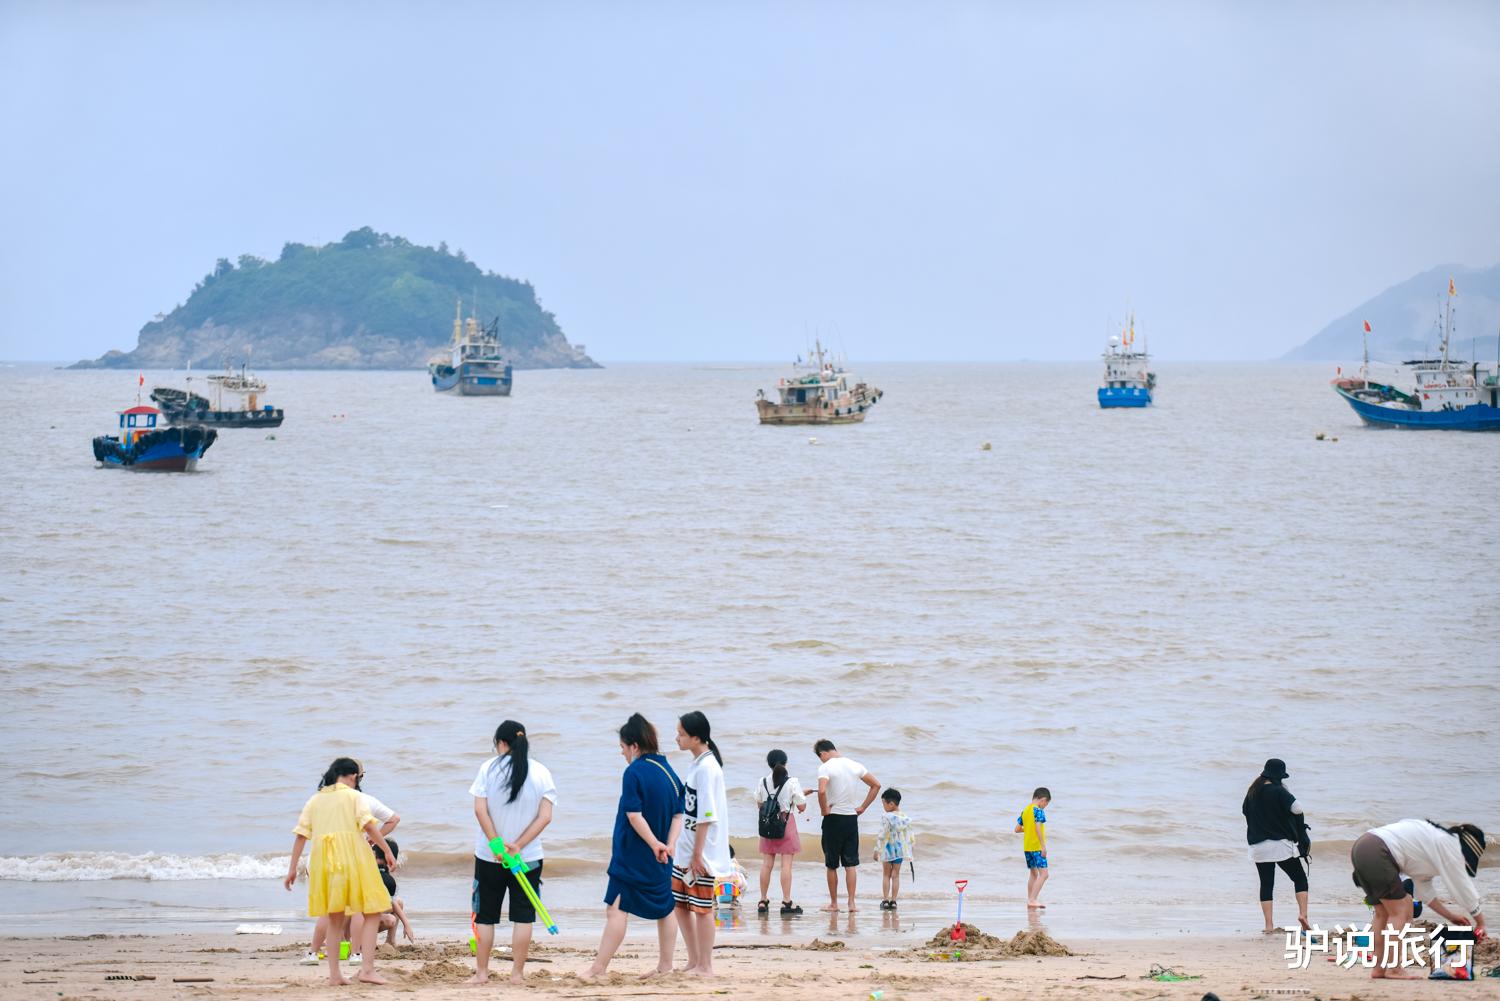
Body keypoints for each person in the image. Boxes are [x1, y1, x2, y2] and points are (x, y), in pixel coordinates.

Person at [584, 714, 684, 980]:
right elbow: (678, 815)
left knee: (616, 908)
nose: (622, 753)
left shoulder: (634, 772)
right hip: (663, 855)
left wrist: (654, 844)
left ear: (635, 746)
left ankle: (598, 969)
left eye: (623, 748)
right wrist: (669, 845)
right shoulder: (670, 773)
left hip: (633, 855)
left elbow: (633, 814)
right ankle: (666, 966)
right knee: (665, 907)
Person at [283, 757, 397, 986]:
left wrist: (292, 868)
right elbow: (369, 826)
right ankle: (367, 970)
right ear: (354, 776)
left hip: (324, 862)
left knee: (335, 917)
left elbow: (301, 835)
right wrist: (386, 850)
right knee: (373, 911)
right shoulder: (354, 796)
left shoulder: (315, 799)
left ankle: (335, 975)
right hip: (354, 857)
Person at [467, 720, 557, 986]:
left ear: (501, 743)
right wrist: (517, 845)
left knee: (485, 915)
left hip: (488, 856)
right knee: (523, 915)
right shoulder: (541, 772)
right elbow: (545, 817)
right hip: (527, 856)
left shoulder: (487, 768)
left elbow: (479, 810)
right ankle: (517, 974)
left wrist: (497, 845)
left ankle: (481, 973)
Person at [1350, 818, 1486, 980]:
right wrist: (1480, 922)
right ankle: (1394, 968)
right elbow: (1463, 887)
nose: (1462, 865)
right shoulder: (1450, 844)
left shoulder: (1432, 846)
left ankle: (1379, 969)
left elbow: (1425, 894)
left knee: (1382, 913)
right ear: (1466, 850)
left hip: (1363, 846)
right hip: (1379, 851)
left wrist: (1450, 916)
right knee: (1402, 912)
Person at [671, 711, 731, 976]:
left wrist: (697, 854)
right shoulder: (697, 764)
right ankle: (694, 960)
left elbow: (707, 815)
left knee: (702, 909)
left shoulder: (708, 768)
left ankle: (706, 965)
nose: (677, 738)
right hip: (685, 849)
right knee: (680, 905)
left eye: (682, 734)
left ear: (696, 737)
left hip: (701, 851)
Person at [1241, 758, 1310, 933]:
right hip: (1279, 845)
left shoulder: (1251, 793)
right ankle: (1303, 915)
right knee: (1299, 878)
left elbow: (1245, 812)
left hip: (1258, 847)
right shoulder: (1278, 791)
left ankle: (1268, 925)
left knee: (1266, 884)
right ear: (1280, 776)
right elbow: (1297, 808)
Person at [812, 739, 881, 912]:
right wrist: (863, 807)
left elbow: (821, 791)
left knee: (831, 864)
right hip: (851, 819)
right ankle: (851, 903)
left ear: (822, 753)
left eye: (820, 757)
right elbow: (876, 785)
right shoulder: (855, 765)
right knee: (850, 864)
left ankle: (834, 904)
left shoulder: (825, 767)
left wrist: (824, 810)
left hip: (833, 819)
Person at [754, 749, 808, 916]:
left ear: (769, 764)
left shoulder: (762, 781)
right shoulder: (792, 782)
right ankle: (786, 901)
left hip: (767, 824)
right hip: (785, 823)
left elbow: (760, 804)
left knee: (766, 864)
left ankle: (762, 900)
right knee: (786, 865)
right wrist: (800, 797)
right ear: (785, 763)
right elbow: (801, 807)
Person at [873, 788, 914, 910]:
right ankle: (894, 901)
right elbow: (910, 836)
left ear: (891, 804)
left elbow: (882, 834)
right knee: (896, 875)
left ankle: (885, 901)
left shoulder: (886, 817)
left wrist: (877, 850)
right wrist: (910, 850)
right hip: (900, 850)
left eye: (884, 804)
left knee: (886, 875)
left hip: (888, 849)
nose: (883, 807)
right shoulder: (905, 818)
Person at [1014, 786, 1051, 909]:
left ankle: (1030, 899)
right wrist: (1043, 846)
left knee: (1034, 874)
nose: (1045, 806)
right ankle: (1033, 899)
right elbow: (1038, 827)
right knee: (1044, 874)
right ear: (1043, 800)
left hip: (1027, 848)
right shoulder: (1038, 811)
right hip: (1036, 847)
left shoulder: (1025, 811)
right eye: (1046, 804)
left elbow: (1017, 829)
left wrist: (1028, 829)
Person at [372, 839, 414, 946]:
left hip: (369, 911)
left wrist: (407, 924)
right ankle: (365, 941)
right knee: (390, 919)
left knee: (398, 902)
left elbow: (391, 900)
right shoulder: (370, 871)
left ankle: (390, 941)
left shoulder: (382, 871)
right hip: (356, 918)